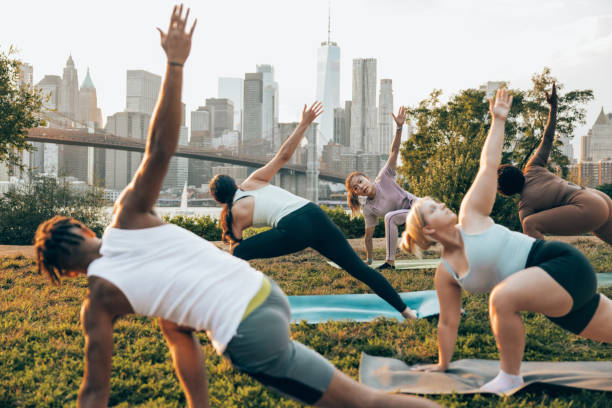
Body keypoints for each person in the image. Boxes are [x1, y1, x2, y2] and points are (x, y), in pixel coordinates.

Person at [33, 7, 439, 408]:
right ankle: (404, 310)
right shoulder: (130, 217)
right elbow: (161, 150)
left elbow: (93, 392)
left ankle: (398, 318)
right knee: (350, 279)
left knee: (357, 400)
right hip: (267, 292)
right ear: (84, 229)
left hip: (247, 328)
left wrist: (236, 246)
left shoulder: (100, 302)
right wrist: (175, 62)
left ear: (65, 272)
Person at [400, 88, 612, 394]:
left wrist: (498, 120)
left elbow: (488, 165)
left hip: (559, 264)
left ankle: (510, 378)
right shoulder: (446, 273)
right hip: (557, 297)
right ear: (428, 231)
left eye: (437, 202)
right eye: (433, 209)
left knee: (500, 298)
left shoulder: (471, 214)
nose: (443, 205)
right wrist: (442, 364)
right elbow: (447, 322)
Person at [210, 106, 416, 319]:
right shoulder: (252, 181)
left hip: (294, 227)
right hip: (314, 214)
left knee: (238, 254)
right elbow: (283, 156)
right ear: (234, 183)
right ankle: (407, 311)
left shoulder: (232, 215)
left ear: (219, 201)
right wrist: (304, 124)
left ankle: (240, 306)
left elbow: (236, 255)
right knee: (359, 269)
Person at [497, 82, 612, 244]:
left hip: (588, 207)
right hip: (597, 196)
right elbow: (548, 138)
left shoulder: (525, 207)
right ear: (517, 170)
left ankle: (547, 264)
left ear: (505, 193)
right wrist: (553, 107)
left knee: (529, 224)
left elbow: (527, 240)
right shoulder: (533, 167)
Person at [345, 106, 418, 270]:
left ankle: (389, 263)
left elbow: (394, 151)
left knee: (391, 217)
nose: (360, 187)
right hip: (410, 218)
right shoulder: (369, 209)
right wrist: (369, 260)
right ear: (356, 194)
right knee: (391, 217)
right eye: (356, 188)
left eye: (361, 181)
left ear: (367, 179)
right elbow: (368, 237)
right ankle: (390, 263)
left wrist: (399, 128)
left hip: (419, 207)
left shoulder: (384, 177)